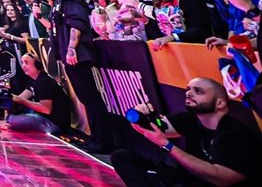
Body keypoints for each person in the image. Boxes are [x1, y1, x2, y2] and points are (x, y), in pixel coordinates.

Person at [111, 78, 260, 187]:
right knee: (122, 157)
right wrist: (141, 117)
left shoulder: (237, 135)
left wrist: (167, 145)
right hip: (186, 180)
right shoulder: (191, 119)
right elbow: (155, 128)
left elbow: (222, 178)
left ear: (220, 103)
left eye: (198, 91)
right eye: (188, 89)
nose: (188, 93)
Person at [50, 0, 113, 151]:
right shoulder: (60, 2)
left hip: (78, 55)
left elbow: (76, 24)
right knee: (86, 97)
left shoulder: (70, 1)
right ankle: (95, 137)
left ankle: (102, 140)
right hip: (69, 55)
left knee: (91, 97)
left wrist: (71, 49)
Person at [1, 53, 70, 134]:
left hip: (54, 124)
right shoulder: (33, 80)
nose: (23, 66)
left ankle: (9, 123)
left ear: (37, 65)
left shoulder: (43, 81)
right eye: (22, 63)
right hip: (44, 118)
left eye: (26, 63)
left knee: (13, 119)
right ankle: (8, 122)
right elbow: (20, 98)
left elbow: (46, 109)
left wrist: (22, 101)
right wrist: (8, 101)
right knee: (12, 115)